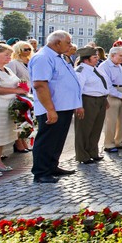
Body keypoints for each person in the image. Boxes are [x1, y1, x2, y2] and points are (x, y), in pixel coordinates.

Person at [29, 31, 82, 183]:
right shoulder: (43, 57)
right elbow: (40, 85)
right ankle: (41, 172)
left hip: (63, 107)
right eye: (68, 42)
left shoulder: (58, 56)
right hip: (52, 107)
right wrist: (50, 109)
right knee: (47, 140)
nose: (70, 46)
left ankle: (52, 166)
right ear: (57, 43)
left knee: (57, 140)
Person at [0, 44, 29, 177]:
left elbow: (15, 83)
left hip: (5, 108)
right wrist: (16, 90)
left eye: (10, 54)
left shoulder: (6, 69)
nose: (9, 57)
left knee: (0, 137)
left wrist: (22, 88)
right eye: (6, 55)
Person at [73, 47, 109, 164]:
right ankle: (82, 155)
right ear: (86, 59)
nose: (97, 58)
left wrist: (105, 99)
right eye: (94, 57)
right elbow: (77, 89)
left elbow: (101, 86)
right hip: (88, 100)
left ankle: (93, 152)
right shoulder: (81, 70)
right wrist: (79, 106)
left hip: (100, 100)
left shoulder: (95, 69)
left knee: (96, 128)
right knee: (84, 129)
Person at [99, 46, 122, 153]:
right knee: (111, 120)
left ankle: (119, 141)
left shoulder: (119, 65)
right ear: (112, 55)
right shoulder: (104, 66)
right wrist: (119, 95)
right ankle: (109, 144)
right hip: (113, 94)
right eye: (121, 56)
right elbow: (107, 85)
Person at [7, 40, 34, 153]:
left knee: (26, 119)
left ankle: (24, 142)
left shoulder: (31, 61)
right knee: (19, 119)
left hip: (30, 93)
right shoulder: (14, 63)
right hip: (19, 94)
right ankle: (19, 143)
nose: (28, 51)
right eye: (25, 49)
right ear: (18, 50)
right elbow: (10, 78)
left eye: (29, 49)